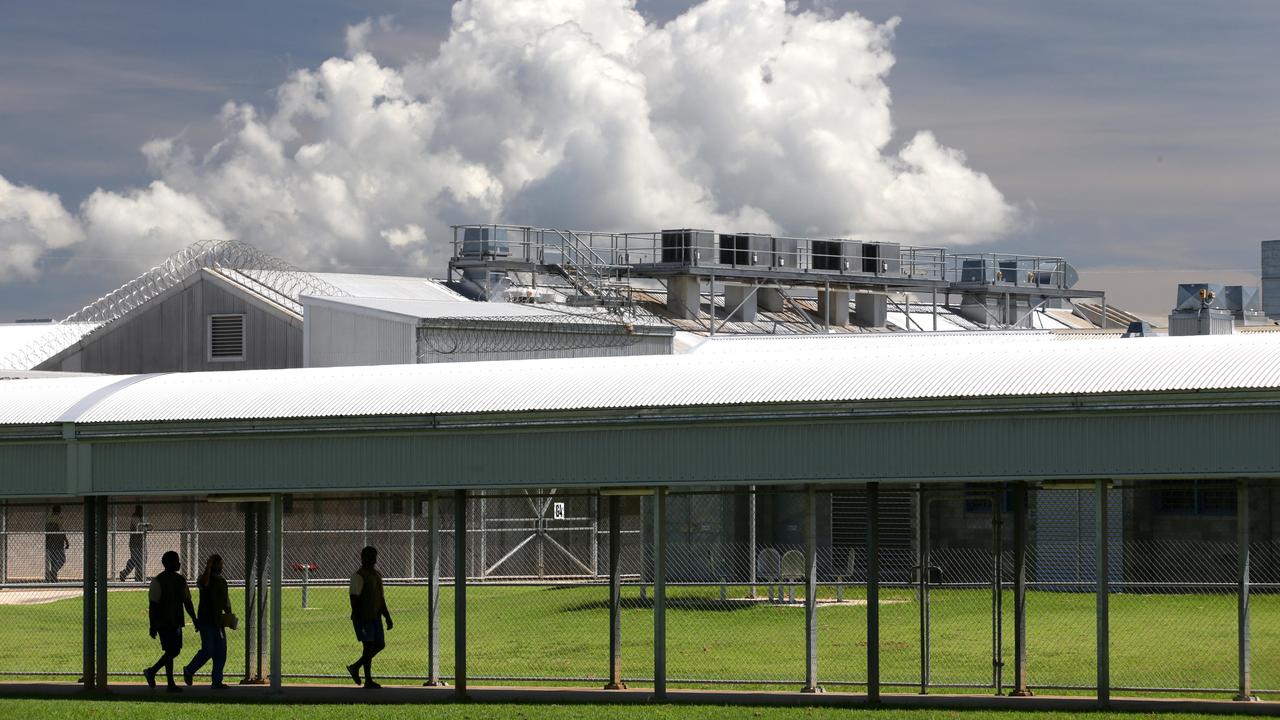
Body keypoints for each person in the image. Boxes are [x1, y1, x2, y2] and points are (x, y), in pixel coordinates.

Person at [144, 550, 197, 692]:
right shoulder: (158, 581)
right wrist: (153, 625)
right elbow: (153, 605)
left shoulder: (180, 580)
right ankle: (169, 683)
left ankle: (152, 672)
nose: (179, 563)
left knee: (174, 651)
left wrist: (194, 618)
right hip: (164, 622)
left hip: (176, 621)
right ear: (167, 564)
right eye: (176, 561)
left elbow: (187, 601)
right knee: (171, 650)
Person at [345, 545, 393, 689]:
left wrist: (387, 616)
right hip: (364, 618)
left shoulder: (377, 574)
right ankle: (368, 680)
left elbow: (381, 597)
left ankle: (355, 667)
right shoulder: (358, 576)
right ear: (362, 558)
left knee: (380, 644)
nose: (372, 559)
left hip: (375, 616)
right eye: (369, 556)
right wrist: (359, 617)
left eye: (374, 556)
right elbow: (354, 598)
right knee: (368, 646)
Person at [182, 554, 231, 689]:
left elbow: (225, 600)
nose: (222, 566)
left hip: (218, 621)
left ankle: (217, 681)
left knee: (221, 652)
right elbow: (204, 583)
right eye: (220, 563)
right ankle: (189, 670)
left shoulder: (222, 581)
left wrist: (229, 615)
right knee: (208, 650)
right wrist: (208, 567)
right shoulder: (204, 579)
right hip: (206, 621)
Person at [119, 505, 149, 582]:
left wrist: (146, 527)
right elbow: (140, 528)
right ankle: (126, 574)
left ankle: (139, 577)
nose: (142, 511)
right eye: (140, 510)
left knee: (143, 559)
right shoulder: (135, 517)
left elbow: (148, 528)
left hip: (142, 542)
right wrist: (145, 527)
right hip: (135, 543)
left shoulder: (143, 517)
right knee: (135, 560)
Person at [44, 505, 68, 583]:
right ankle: (53, 572)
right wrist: (66, 541)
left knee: (53, 561)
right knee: (62, 559)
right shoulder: (59, 519)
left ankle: (54, 578)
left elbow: (47, 533)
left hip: (50, 543)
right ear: (59, 511)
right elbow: (62, 531)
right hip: (58, 542)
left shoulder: (48, 519)